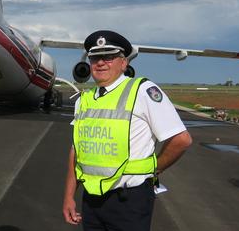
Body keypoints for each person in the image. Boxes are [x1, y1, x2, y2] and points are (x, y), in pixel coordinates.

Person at [62, 30, 192, 230]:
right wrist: (69, 196)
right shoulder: (84, 100)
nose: (101, 62)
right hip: (91, 199)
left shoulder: (142, 92)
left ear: (124, 63)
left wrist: (154, 169)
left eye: (109, 56)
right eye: (95, 57)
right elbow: (76, 151)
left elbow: (181, 140)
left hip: (129, 200)